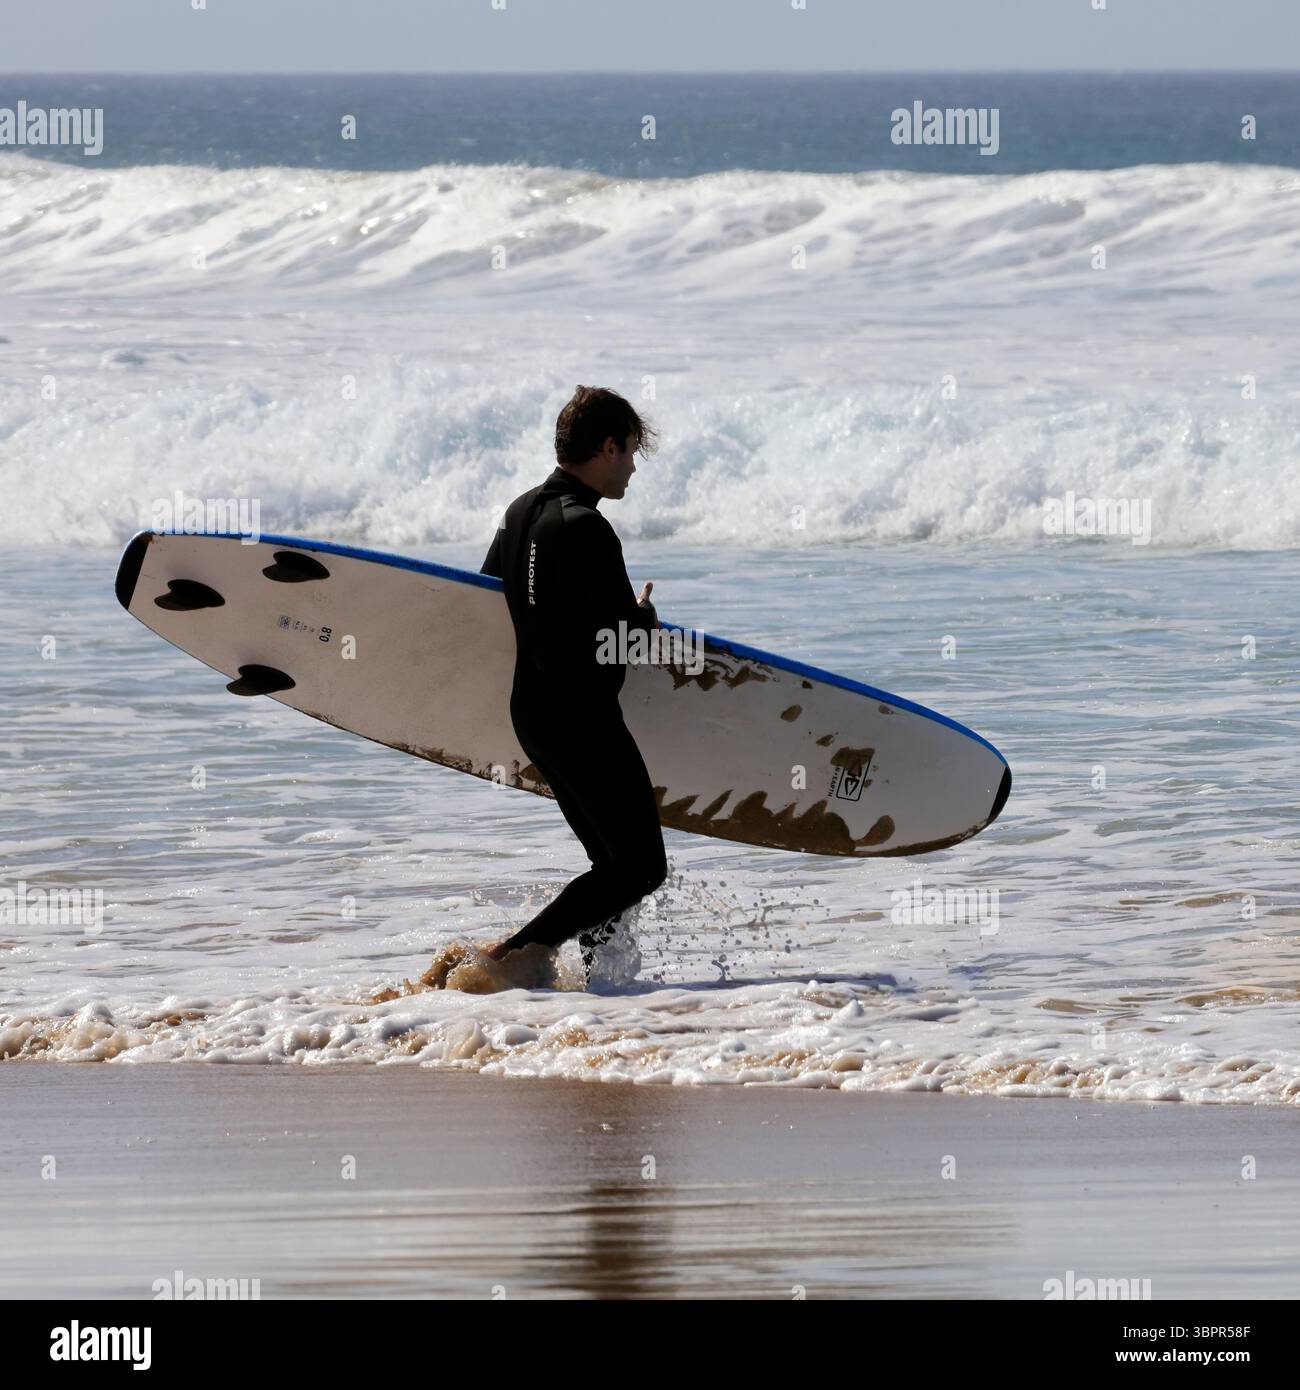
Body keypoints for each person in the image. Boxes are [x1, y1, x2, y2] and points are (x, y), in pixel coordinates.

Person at [479, 385, 668, 984]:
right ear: (607, 447)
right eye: (631, 453)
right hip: (583, 718)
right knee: (641, 868)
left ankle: (603, 989)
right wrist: (643, 617)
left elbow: (481, 603)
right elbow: (623, 642)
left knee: (610, 864)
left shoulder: (519, 511)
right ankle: (509, 958)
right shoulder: (588, 528)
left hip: (533, 717)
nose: (633, 468)